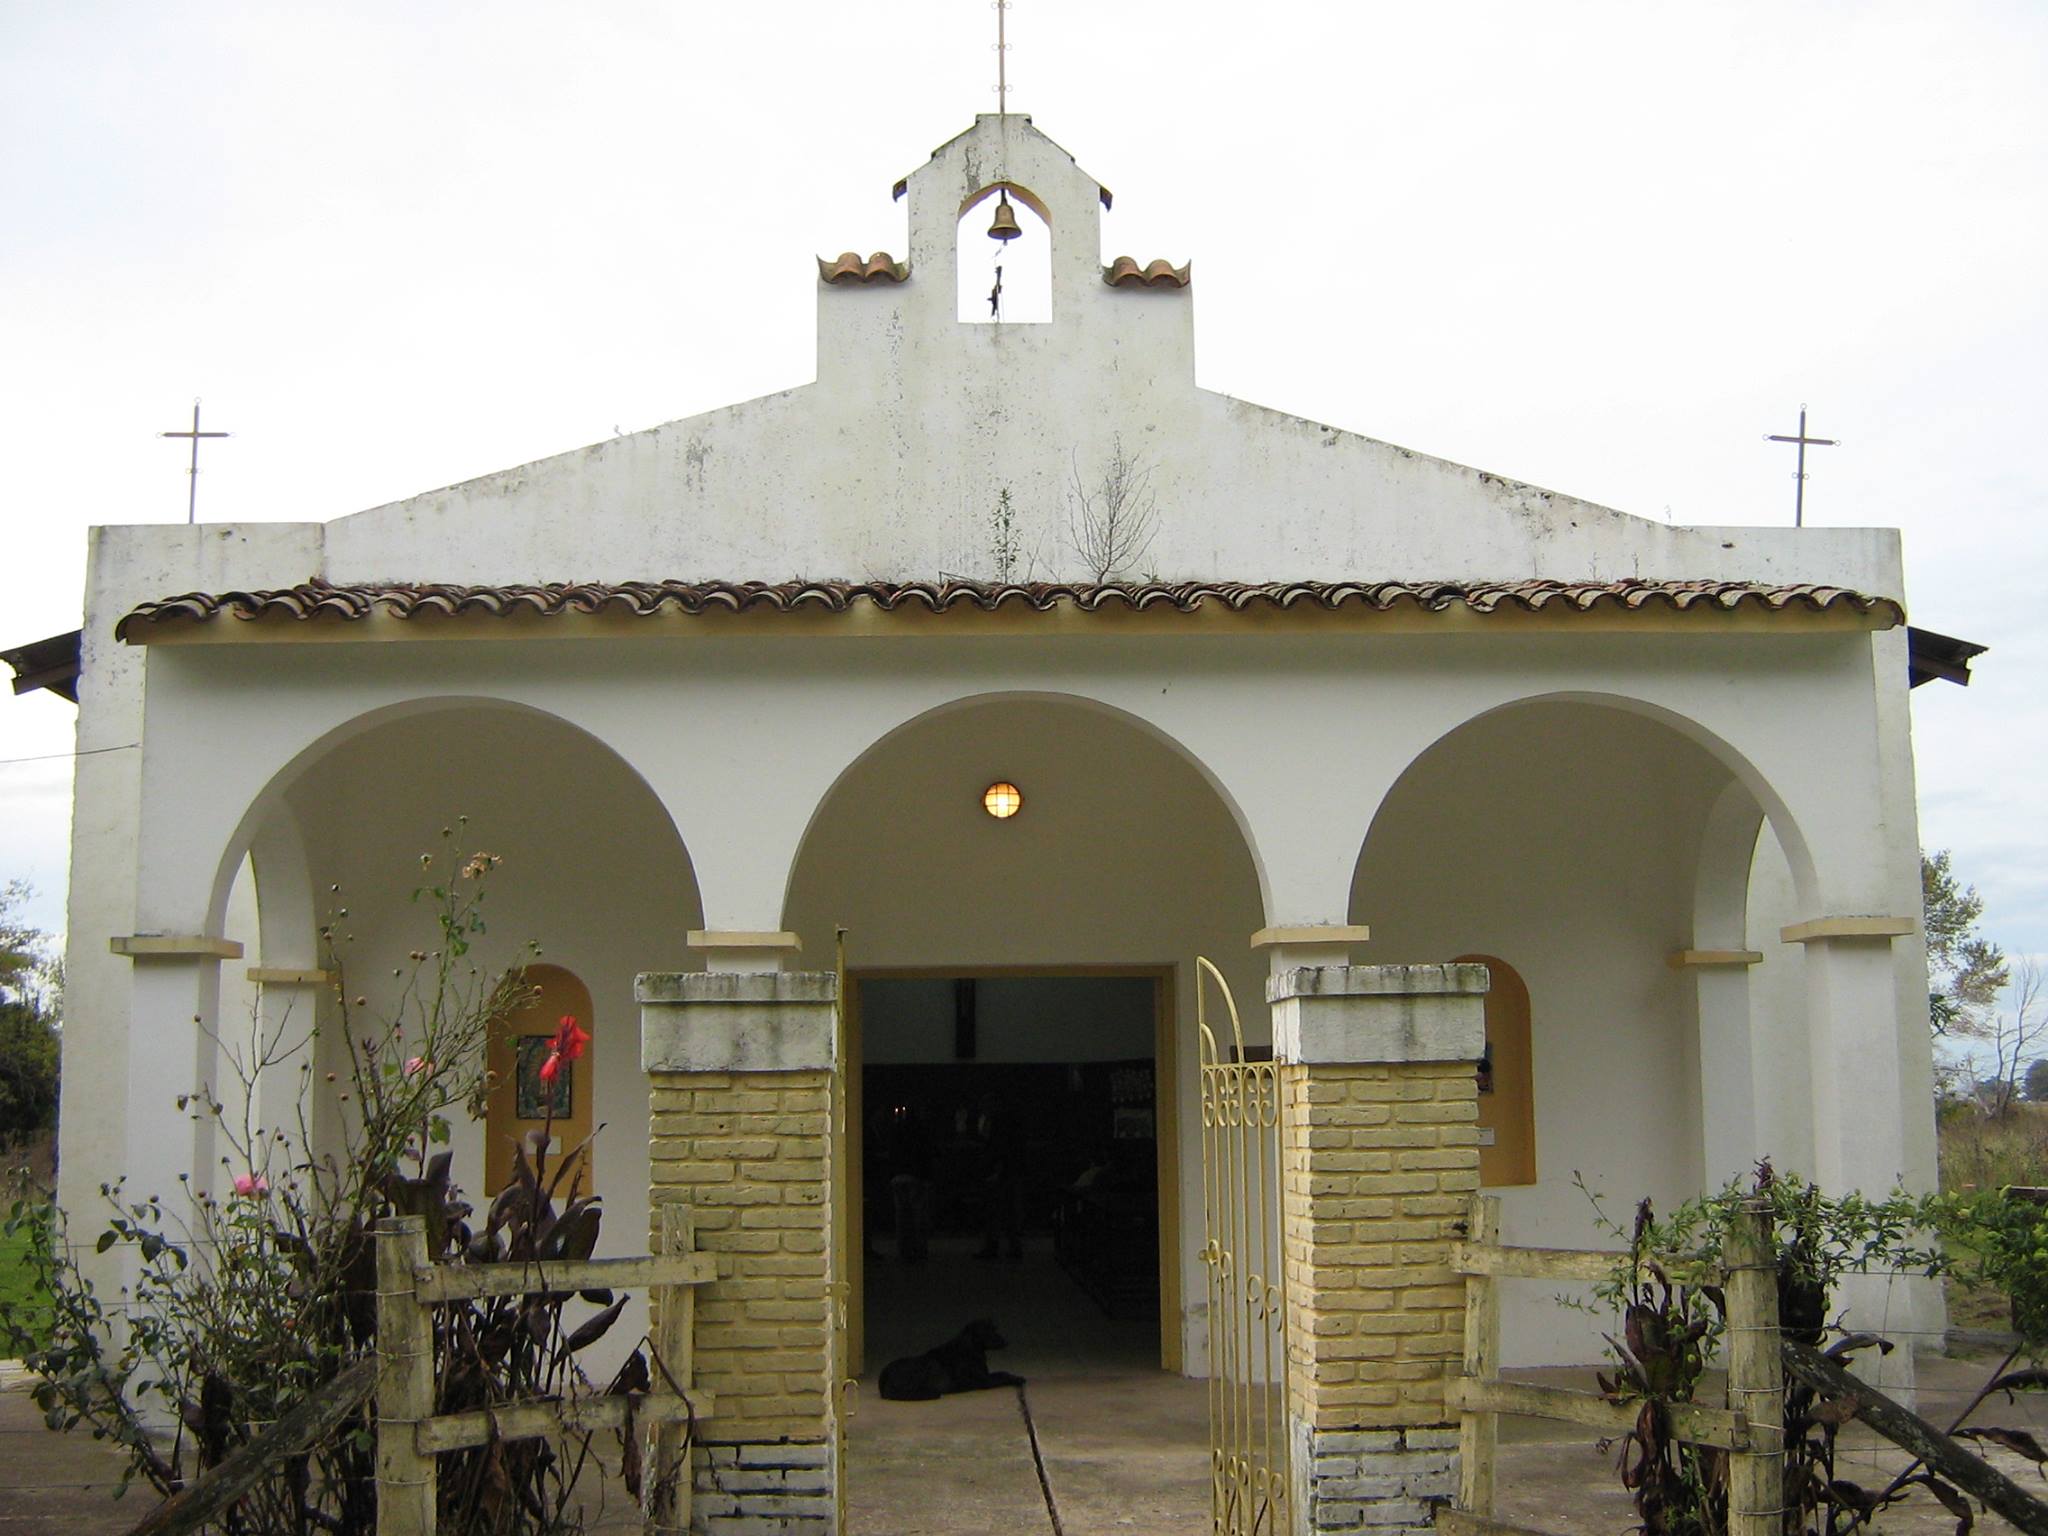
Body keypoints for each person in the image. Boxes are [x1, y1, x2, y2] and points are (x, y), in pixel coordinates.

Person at [974, 1097, 1025, 1262]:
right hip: (1006, 1171)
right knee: (1008, 1211)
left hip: (999, 1172)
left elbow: (998, 1147)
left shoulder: (997, 1124)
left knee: (996, 1211)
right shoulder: (1006, 1124)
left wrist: (996, 1169)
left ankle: (994, 1245)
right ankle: (1012, 1246)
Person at [886, 1104, 934, 1264]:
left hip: (898, 1175)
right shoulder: (921, 1131)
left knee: (901, 1216)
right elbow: (925, 1154)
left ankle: (904, 1249)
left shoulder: (897, 1130)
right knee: (918, 1215)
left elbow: (892, 1152)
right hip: (916, 1176)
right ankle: (919, 1249)